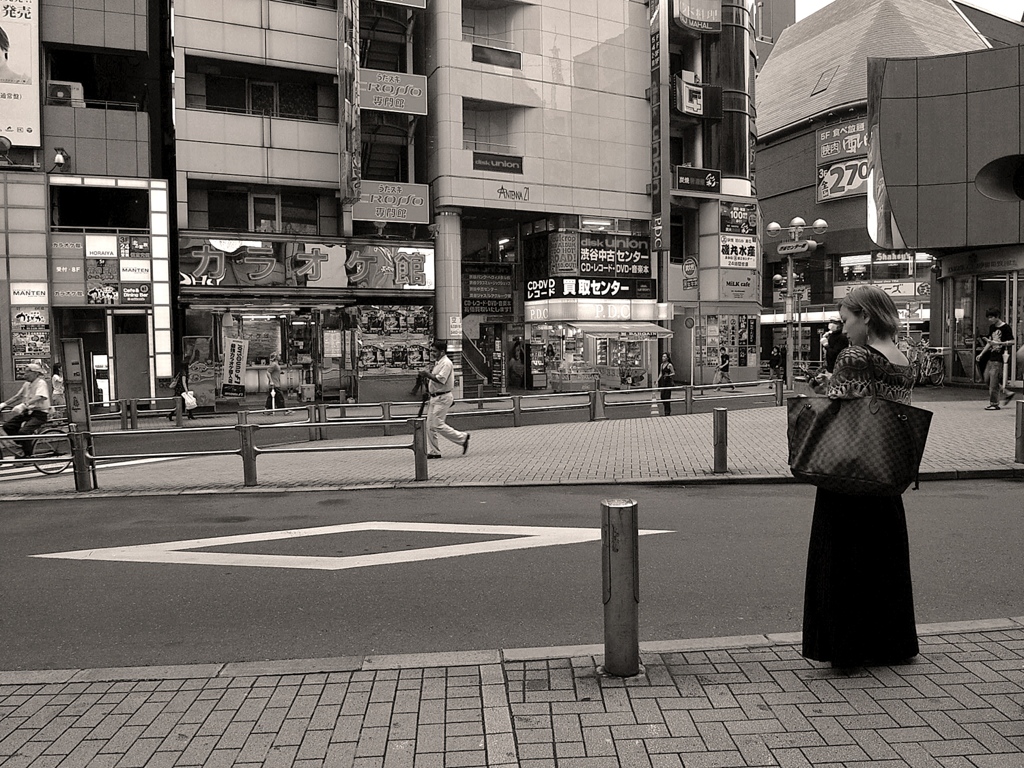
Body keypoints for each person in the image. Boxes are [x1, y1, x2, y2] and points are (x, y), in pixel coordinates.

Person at [802, 285, 919, 667]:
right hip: (884, 474)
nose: (843, 328)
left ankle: (846, 646)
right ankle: (889, 644)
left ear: (865, 317)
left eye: (846, 319)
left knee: (844, 559)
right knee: (883, 562)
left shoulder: (854, 356)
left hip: (850, 474)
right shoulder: (903, 358)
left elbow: (838, 411)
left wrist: (817, 390)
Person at [421, 341, 470, 459]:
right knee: (429, 426)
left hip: (442, 398)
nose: (432, 353)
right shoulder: (438, 363)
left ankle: (462, 437)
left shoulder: (446, 363)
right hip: (435, 397)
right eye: (431, 351)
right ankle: (435, 451)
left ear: (442, 351)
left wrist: (427, 375)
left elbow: (441, 379)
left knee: (437, 424)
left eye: (434, 351)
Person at [0, 362, 51, 458]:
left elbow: (40, 396)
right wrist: (4, 404)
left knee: (24, 432)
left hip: (39, 413)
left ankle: (27, 455)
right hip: (28, 412)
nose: (25, 374)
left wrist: (24, 405)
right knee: (8, 426)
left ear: (36, 373)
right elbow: (17, 396)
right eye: (25, 372)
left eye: (28, 372)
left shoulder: (41, 383)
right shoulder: (26, 384)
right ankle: (23, 444)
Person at [976, 307, 1015, 410]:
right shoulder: (992, 327)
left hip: (1000, 357)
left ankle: (994, 403)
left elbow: (1012, 341)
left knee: (993, 381)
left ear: (997, 316)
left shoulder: (1006, 328)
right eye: (988, 317)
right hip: (991, 356)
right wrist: (982, 354)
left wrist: (999, 343)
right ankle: (1007, 392)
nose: (990, 319)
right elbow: (990, 342)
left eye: (991, 317)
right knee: (987, 379)